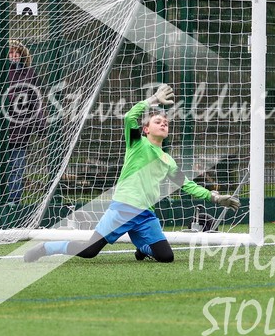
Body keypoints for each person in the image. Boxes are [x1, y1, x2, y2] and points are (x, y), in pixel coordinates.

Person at [24, 84, 240, 263]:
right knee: (89, 251)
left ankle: (142, 249)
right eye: (158, 121)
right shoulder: (138, 144)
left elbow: (187, 184)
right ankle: (46, 248)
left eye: (166, 123)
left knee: (166, 257)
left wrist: (214, 197)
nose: (163, 124)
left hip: (145, 215)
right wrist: (153, 99)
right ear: (146, 129)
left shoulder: (168, 160)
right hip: (123, 209)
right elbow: (130, 117)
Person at [0, 40, 45, 206]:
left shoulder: (29, 73)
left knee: (16, 170)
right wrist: (10, 101)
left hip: (20, 130)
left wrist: (41, 124)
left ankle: (13, 204)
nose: (14, 55)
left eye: (17, 53)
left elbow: (36, 101)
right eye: (10, 52)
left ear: (22, 55)